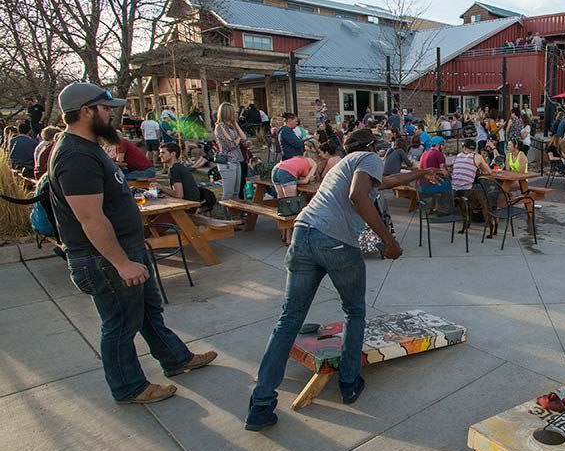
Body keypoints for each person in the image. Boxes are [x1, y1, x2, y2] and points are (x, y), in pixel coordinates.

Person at [245, 129, 441, 430]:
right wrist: (388, 240)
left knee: (289, 320)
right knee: (354, 311)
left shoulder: (343, 165)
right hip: (334, 243)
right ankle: (349, 383)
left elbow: (384, 183)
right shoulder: (369, 158)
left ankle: (260, 405)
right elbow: (358, 196)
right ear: (373, 147)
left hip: (302, 235)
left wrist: (420, 173)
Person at [48, 83, 216, 404]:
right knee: (120, 324)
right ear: (86, 111)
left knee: (149, 311)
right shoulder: (75, 155)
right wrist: (121, 263)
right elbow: (90, 218)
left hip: (125, 250)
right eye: (106, 108)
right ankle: (129, 387)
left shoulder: (89, 146)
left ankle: (175, 358)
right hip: (105, 259)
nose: (112, 114)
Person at [214, 103, 245, 207]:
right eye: (233, 112)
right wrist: (238, 138)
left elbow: (244, 137)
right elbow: (230, 145)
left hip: (236, 160)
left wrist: (236, 124)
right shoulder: (220, 127)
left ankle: (235, 214)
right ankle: (227, 218)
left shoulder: (232, 125)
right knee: (228, 192)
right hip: (227, 162)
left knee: (236, 192)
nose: (235, 114)